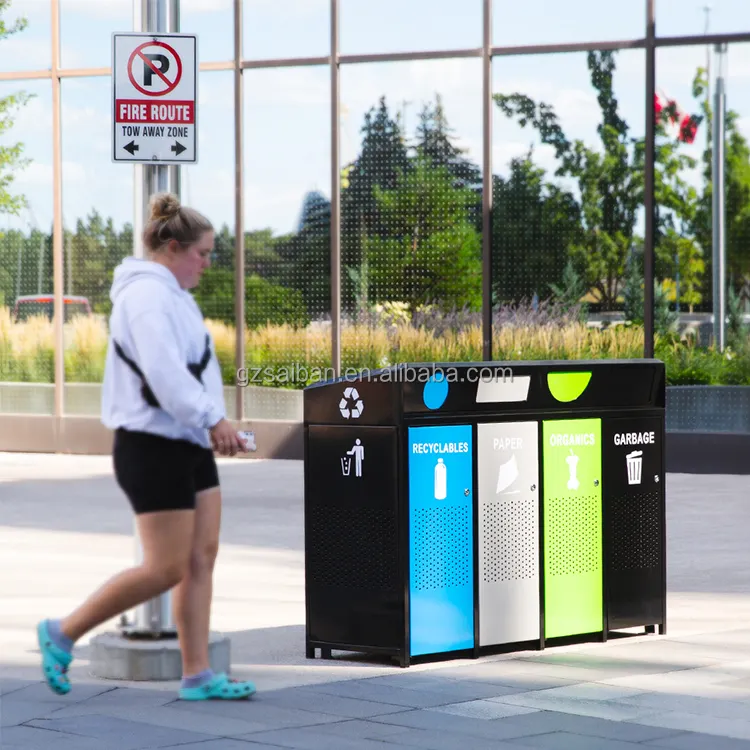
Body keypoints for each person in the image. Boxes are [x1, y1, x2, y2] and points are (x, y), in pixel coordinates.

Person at [36, 192, 256, 701]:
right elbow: (163, 376)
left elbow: (193, 373)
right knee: (166, 567)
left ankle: (198, 674)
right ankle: (62, 631)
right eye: (203, 253)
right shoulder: (146, 296)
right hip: (151, 446)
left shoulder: (176, 295)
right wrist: (213, 420)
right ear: (173, 247)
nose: (207, 263)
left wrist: (217, 427)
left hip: (185, 442)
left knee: (202, 556)